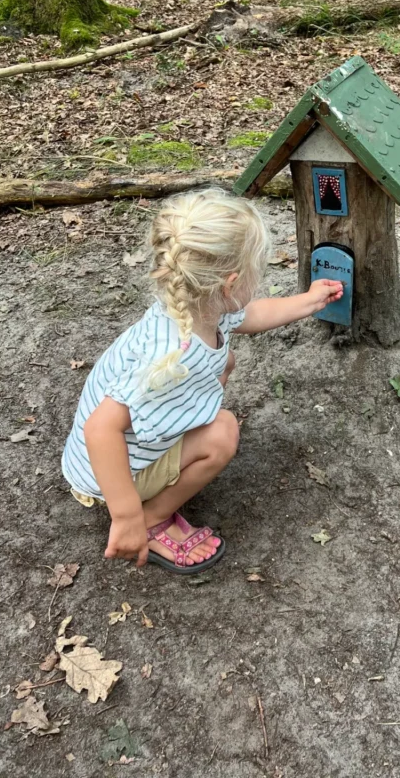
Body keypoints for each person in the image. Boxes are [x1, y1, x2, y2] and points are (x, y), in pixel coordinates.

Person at [61, 189, 343, 576]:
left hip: (117, 453)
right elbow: (100, 429)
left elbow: (252, 315)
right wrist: (125, 516)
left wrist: (308, 301)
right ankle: (152, 518)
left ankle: (157, 480)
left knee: (224, 358)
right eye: (257, 270)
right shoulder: (169, 358)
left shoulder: (195, 308)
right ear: (230, 284)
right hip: (108, 472)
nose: (260, 280)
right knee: (222, 434)